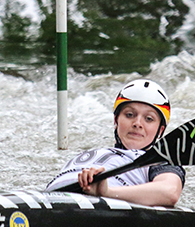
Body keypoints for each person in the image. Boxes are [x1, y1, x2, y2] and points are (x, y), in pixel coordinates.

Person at [44, 79, 185, 207]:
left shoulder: (160, 162)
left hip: (101, 205)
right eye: (129, 115)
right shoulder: (93, 151)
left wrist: (107, 193)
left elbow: (169, 192)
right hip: (48, 199)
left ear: (160, 131)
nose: (137, 123)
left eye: (148, 118)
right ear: (116, 120)